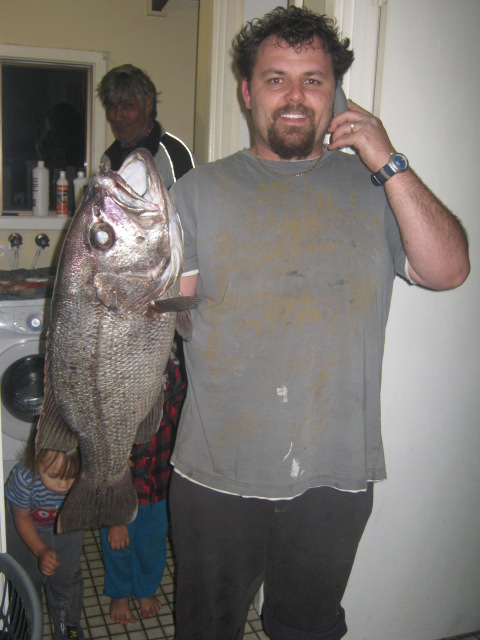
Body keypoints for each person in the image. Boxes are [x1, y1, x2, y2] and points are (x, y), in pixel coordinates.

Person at [168, 6, 470, 640]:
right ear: (248, 92)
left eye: (314, 79)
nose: (296, 96)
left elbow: (449, 270)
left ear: (338, 92)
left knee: (307, 629)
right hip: (217, 476)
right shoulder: (197, 193)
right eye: (277, 79)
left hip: (334, 476)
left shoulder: (376, 186)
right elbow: (165, 318)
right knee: (207, 629)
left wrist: (387, 158)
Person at [99, 357, 185, 625]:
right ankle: (120, 594)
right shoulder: (113, 372)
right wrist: (115, 517)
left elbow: (179, 412)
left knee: (153, 544)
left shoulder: (169, 368)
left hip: (159, 485)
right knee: (118, 545)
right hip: (121, 491)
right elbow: (104, 451)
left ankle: (146, 589)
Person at [5, 443, 84, 640]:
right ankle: (28, 627)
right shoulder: (24, 477)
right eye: (55, 475)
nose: (64, 484)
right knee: (26, 581)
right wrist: (40, 551)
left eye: (71, 476)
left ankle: (69, 628)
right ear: (35, 460)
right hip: (25, 527)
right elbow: (21, 518)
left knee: (68, 579)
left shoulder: (84, 472)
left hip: (67, 526)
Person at [96, 63, 195, 185]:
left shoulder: (175, 155)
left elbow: (195, 203)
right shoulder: (108, 161)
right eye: (112, 106)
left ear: (148, 103)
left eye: (127, 106)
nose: (117, 116)